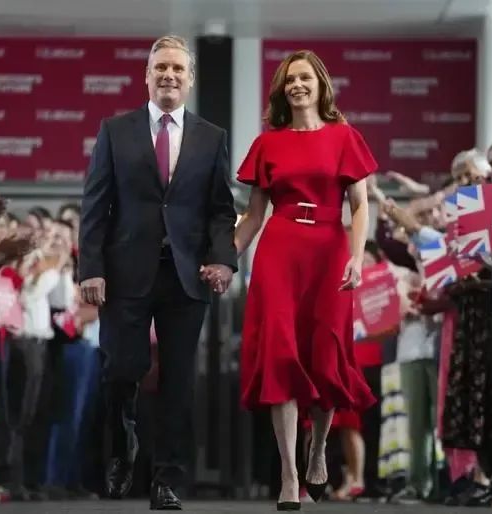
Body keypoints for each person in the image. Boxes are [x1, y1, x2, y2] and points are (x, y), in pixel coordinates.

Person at [78, 35, 237, 510]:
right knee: (122, 368)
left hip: (186, 278)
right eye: (161, 68)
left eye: (177, 69)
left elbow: (221, 209)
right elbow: (95, 204)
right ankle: (123, 444)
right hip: (124, 273)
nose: (169, 75)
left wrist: (223, 258)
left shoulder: (212, 137)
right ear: (146, 76)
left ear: (190, 79)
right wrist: (91, 268)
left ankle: (168, 478)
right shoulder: (115, 130)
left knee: (178, 382)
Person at [221, 49, 377, 510]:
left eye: (305, 77)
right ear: (281, 90)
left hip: (330, 250)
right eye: (290, 80)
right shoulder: (268, 144)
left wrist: (357, 256)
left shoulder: (345, 136)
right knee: (281, 355)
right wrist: (223, 259)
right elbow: (253, 216)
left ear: (321, 84)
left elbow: (360, 205)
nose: (297, 85)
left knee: (326, 352)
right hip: (280, 249)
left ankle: (319, 448)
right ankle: (289, 475)